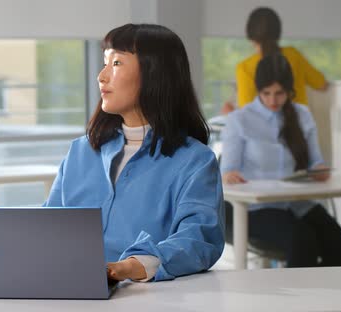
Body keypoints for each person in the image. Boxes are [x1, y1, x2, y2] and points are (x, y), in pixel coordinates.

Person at [43, 24, 224, 282]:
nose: (102, 76)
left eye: (116, 63)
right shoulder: (80, 152)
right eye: (105, 62)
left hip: (149, 297)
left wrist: (128, 268)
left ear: (155, 74)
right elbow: (50, 224)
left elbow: (198, 240)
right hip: (69, 291)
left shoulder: (195, 161)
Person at [221, 53, 341, 267]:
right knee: (303, 242)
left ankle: (320, 296)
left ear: (289, 91)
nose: (273, 100)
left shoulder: (302, 115)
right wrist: (229, 175)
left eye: (279, 93)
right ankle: (295, 299)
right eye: (266, 93)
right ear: (258, 90)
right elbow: (227, 170)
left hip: (297, 202)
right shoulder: (240, 120)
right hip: (257, 208)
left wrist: (320, 170)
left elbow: (315, 163)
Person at [234, 7, 327, 109]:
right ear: (278, 32)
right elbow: (322, 84)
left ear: (250, 34)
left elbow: (246, 112)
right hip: (298, 123)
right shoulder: (294, 55)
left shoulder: (245, 68)